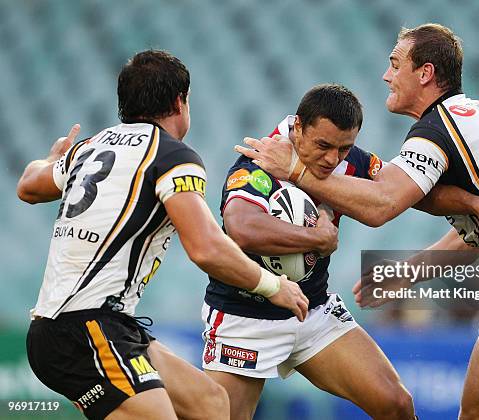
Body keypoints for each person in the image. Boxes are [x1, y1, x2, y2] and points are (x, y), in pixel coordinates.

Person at [235, 24, 479, 419]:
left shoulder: (435, 130)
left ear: (425, 73)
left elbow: (382, 205)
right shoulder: (478, 113)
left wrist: (295, 170)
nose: (386, 76)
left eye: (395, 64)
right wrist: (406, 272)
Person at [206, 83, 479, 420]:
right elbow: (242, 228)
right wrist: (315, 240)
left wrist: (475, 204)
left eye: (344, 149)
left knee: (396, 404)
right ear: (298, 128)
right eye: (323, 146)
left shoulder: (350, 162)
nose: (332, 159)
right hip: (245, 316)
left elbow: (412, 192)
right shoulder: (258, 163)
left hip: (313, 311)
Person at [16, 49, 308, 420]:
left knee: (212, 404)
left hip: (100, 325)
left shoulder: (88, 148)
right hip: (83, 328)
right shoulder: (173, 156)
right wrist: (273, 285)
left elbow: (28, 186)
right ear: (179, 101)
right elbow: (205, 249)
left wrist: (50, 158)